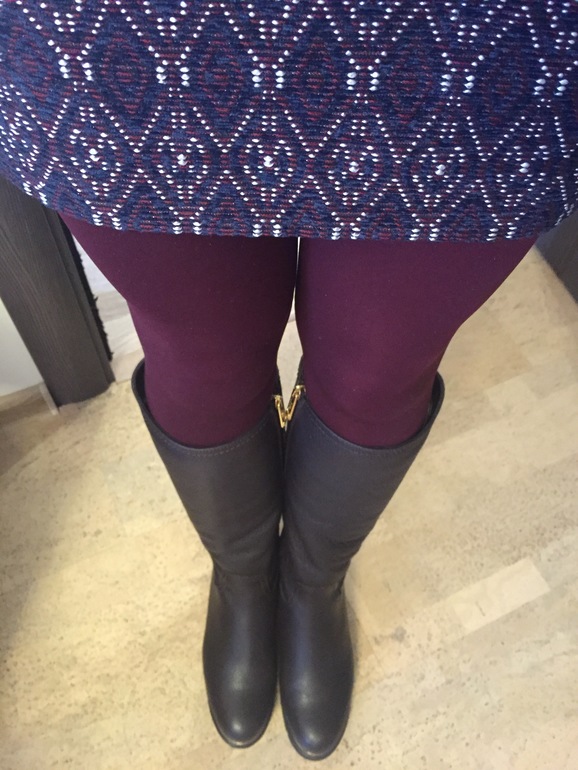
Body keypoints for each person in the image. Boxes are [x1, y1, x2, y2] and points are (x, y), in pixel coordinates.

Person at [0, 1, 576, 761]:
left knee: (380, 370)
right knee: (199, 359)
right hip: (132, 34)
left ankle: (312, 582)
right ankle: (243, 576)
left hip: (478, 43)